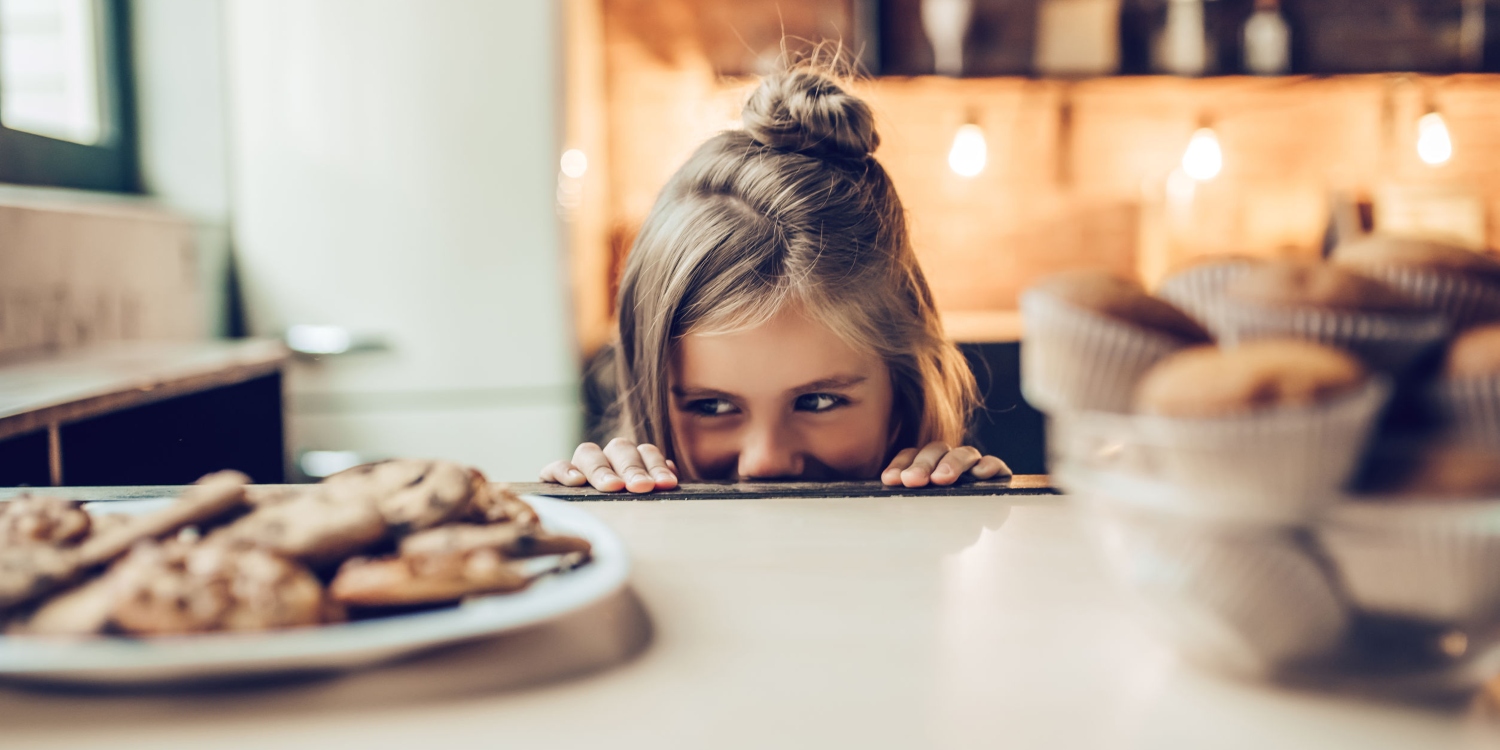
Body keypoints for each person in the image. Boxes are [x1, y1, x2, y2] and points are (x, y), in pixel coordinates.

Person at [540, 63, 1010, 493]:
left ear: (903, 393)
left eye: (820, 401)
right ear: (650, 391)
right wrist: (602, 518)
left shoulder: (944, 518)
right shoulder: (617, 538)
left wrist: (955, 513)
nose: (765, 463)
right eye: (712, 407)